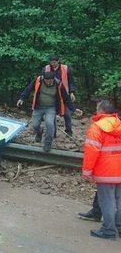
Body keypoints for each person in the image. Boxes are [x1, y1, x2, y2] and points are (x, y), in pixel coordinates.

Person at [82, 100, 121, 240]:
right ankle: (119, 227)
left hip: (105, 171)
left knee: (107, 201)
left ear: (101, 111)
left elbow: (91, 151)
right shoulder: (119, 124)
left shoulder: (97, 128)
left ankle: (108, 231)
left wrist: (87, 171)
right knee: (119, 200)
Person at [17, 71, 74, 152]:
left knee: (50, 124)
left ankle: (47, 143)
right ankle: (39, 132)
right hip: (38, 107)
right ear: (44, 79)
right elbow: (29, 89)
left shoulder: (59, 84)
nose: (49, 83)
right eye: (47, 81)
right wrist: (22, 98)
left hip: (51, 108)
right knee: (35, 125)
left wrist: (73, 109)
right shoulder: (38, 80)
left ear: (53, 79)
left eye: (50, 81)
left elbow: (66, 98)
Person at [43, 55, 76, 136]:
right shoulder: (46, 69)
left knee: (67, 114)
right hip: (51, 95)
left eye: (54, 62)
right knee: (52, 115)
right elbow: (42, 81)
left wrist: (72, 92)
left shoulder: (66, 68)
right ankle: (53, 133)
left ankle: (69, 131)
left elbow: (71, 81)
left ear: (58, 61)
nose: (52, 64)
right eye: (51, 62)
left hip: (64, 94)